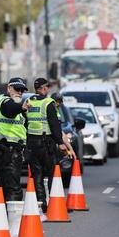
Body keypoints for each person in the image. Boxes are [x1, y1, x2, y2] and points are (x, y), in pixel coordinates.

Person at [25, 78, 70, 212]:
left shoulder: (29, 102)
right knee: (52, 173)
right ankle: (53, 202)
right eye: (47, 87)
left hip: (32, 142)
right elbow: (54, 125)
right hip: (46, 142)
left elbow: (25, 122)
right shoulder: (48, 102)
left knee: (37, 173)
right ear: (44, 88)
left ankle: (40, 202)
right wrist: (60, 143)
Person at [0, 77, 29, 201]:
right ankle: (14, 216)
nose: (20, 92)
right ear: (8, 88)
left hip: (2, 147)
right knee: (13, 186)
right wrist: (22, 108)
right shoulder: (7, 102)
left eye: (22, 90)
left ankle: (2, 212)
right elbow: (10, 109)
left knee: (4, 183)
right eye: (17, 89)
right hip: (9, 149)